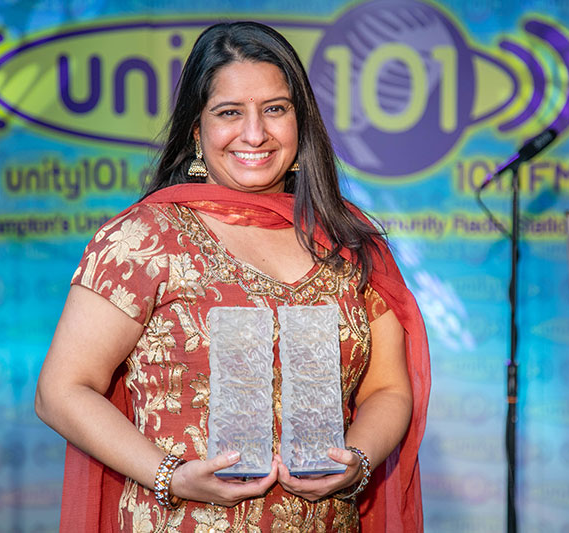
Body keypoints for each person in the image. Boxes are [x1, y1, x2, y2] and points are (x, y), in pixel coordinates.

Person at [35, 21, 430, 532]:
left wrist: (357, 458)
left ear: (301, 121)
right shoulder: (145, 239)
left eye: (275, 109)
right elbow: (61, 390)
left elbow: (388, 391)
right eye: (229, 112)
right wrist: (170, 476)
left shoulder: (351, 244)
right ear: (196, 132)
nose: (255, 134)